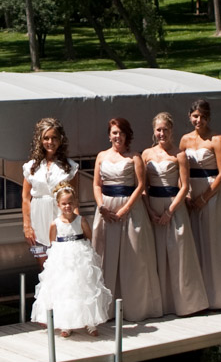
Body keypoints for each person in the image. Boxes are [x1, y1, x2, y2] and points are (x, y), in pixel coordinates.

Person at [91, 116, 164, 321]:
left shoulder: (134, 157)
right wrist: (101, 206)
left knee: (133, 257)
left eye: (121, 133)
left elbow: (140, 185)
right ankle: (105, 307)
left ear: (127, 135)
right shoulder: (101, 156)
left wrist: (125, 209)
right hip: (106, 209)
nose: (118, 137)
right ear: (109, 135)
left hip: (130, 210)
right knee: (106, 256)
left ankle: (135, 307)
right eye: (114, 132)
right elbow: (97, 184)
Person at [142, 112, 209, 318]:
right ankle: (158, 303)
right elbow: (143, 186)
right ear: (154, 131)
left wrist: (170, 212)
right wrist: (150, 210)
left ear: (172, 131)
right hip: (152, 206)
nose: (162, 133)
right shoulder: (146, 154)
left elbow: (185, 186)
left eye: (166, 130)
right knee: (155, 255)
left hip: (174, 206)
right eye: (158, 130)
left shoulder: (180, 155)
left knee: (178, 252)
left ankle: (183, 302)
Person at [181, 97, 221, 310]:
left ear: (208, 118)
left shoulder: (216, 139)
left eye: (202, 117)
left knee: (214, 243)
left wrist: (204, 197)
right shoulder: (184, 140)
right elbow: (180, 170)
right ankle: (196, 296)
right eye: (195, 116)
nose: (198, 120)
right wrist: (188, 194)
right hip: (190, 194)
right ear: (190, 117)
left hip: (212, 194)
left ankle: (220, 296)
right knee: (195, 244)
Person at [29, 185, 113, 336]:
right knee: (65, 289)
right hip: (62, 259)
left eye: (70, 203)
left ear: (75, 203)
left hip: (79, 257)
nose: (67, 206)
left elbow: (88, 236)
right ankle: (66, 323)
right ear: (58, 205)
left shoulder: (81, 220)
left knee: (83, 288)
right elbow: (52, 241)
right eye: (64, 203)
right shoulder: (55, 223)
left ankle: (90, 322)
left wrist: (83, 252)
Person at [22, 117, 79, 260]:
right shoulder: (30, 167)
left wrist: (76, 225)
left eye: (54, 138)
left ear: (60, 140)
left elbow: (73, 200)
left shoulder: (70, 167)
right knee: (43, 266)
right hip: (37, 221)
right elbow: (25, 197)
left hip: (61, 220)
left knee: (62, 265)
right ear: (40, 140)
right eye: (46, 138)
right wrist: (27, 226)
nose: (50, 142)